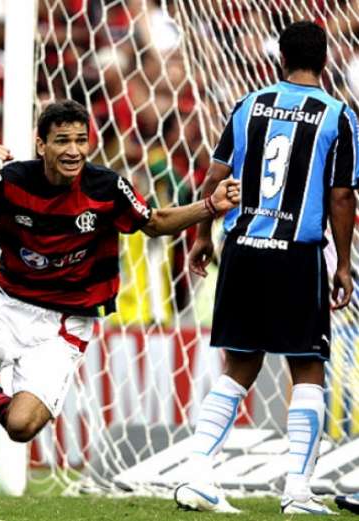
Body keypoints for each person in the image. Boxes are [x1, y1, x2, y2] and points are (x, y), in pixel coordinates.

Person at [0, 99, 241, 516]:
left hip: (66, 321)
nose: (73, 150)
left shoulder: (106, 187)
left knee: (21, 427)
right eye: (62, 140)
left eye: (81, 140)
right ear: (41, 145)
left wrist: (209, 206)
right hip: (5, 303)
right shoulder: (11, 180)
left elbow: (154, 222)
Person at [174, 21, 358, 515]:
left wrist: (200, 238)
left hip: (243, 248)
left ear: (280, 57)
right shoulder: (338, 116)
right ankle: (297, 491)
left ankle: (195, 472)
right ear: (325, 59)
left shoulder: (247, 105)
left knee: (240, 365)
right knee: (308, 369)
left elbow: (215, 176)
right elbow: (342, 195)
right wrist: (342, 264)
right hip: (297, 255)